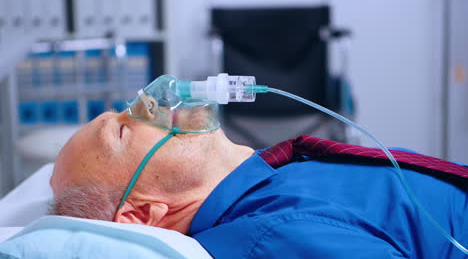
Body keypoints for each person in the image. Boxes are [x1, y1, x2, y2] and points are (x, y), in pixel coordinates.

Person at [50, 111, 467, 259]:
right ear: (143, 213)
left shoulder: (269, 187)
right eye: (123, 130)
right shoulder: (271, 240)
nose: (150, 107)